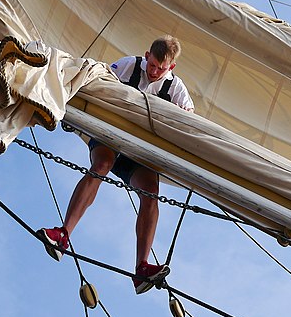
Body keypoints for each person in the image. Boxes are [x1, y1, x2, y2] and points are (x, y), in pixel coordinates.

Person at [37, 36, 195, 294]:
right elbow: (97, 82)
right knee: (102, 164)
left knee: (151, 192)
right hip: (109, 136)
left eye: (161, 68)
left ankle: (141, 269)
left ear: (171, 67)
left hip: (137, 152)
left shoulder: (175, 88)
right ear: (147, 56)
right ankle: (63, 234)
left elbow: (189, 118)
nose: (155, 72)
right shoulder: (128, 66)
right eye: (152, 65)